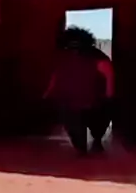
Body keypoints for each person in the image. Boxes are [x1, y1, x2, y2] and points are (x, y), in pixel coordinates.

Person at [44, 26, 114, 154]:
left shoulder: (97, 57)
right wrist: (49, 92)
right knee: (76, 128)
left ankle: (95, 141)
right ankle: (84, 145)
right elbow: (56, 75)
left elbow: (108, 76)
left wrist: (108, 98)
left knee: (96, 125)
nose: (74, 49)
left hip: (93, 101)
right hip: (73, 101)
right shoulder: (64, 57)